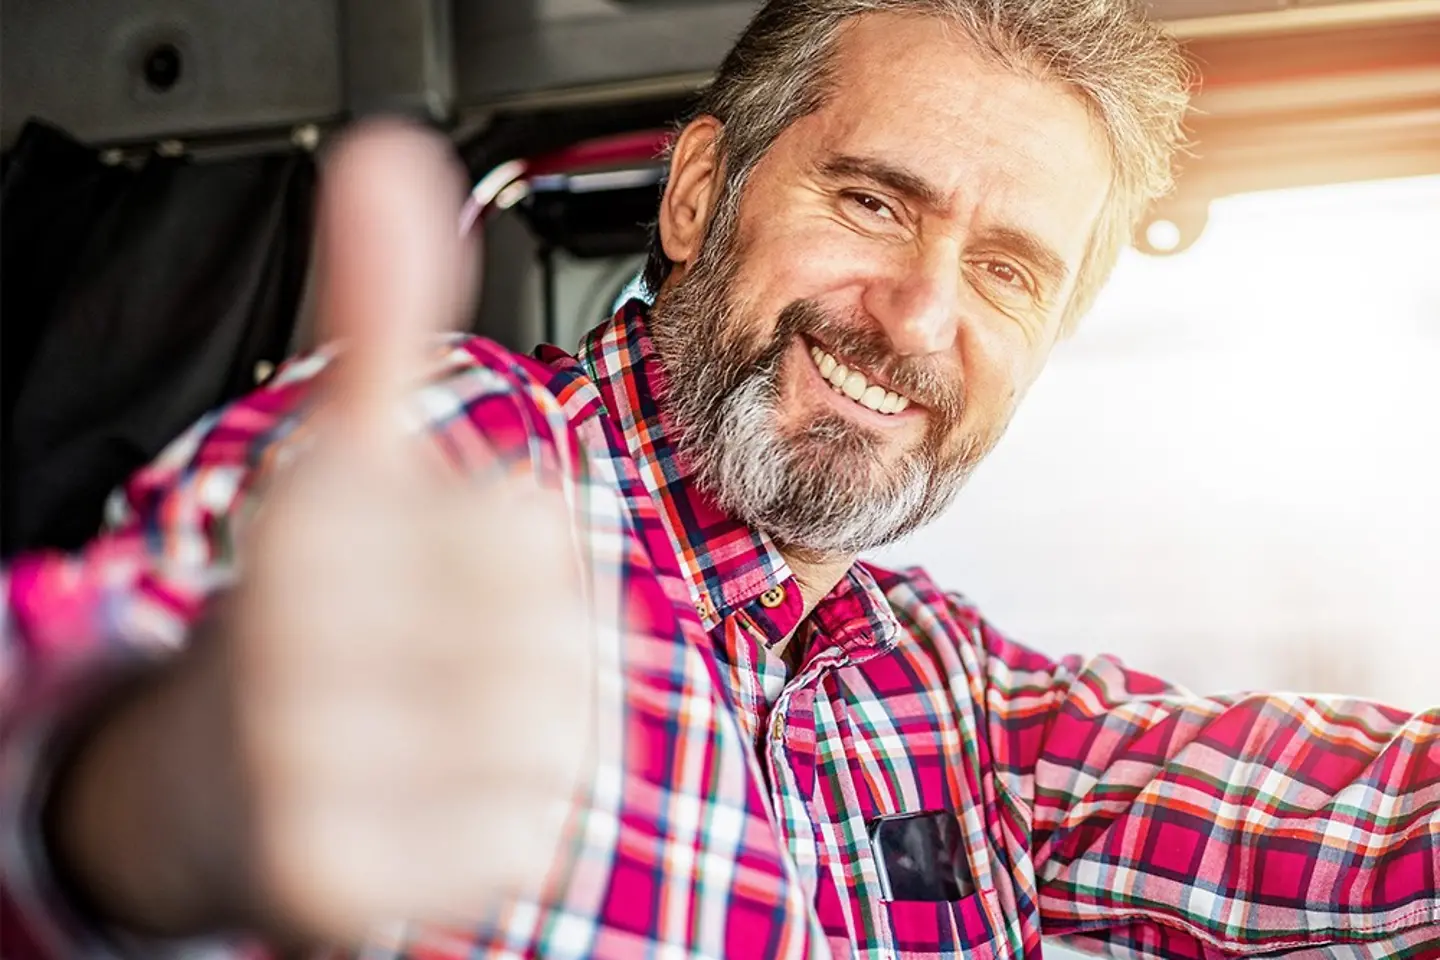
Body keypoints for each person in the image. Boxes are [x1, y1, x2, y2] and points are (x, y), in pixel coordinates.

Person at [2, 1, 1436, 958]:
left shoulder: (951, 691)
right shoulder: (460, 454)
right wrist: (141, 809)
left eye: (1007, 273)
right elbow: (78, 693)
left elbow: (1364, 833)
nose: (920, 317)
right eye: (871, 201)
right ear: (700, 196)